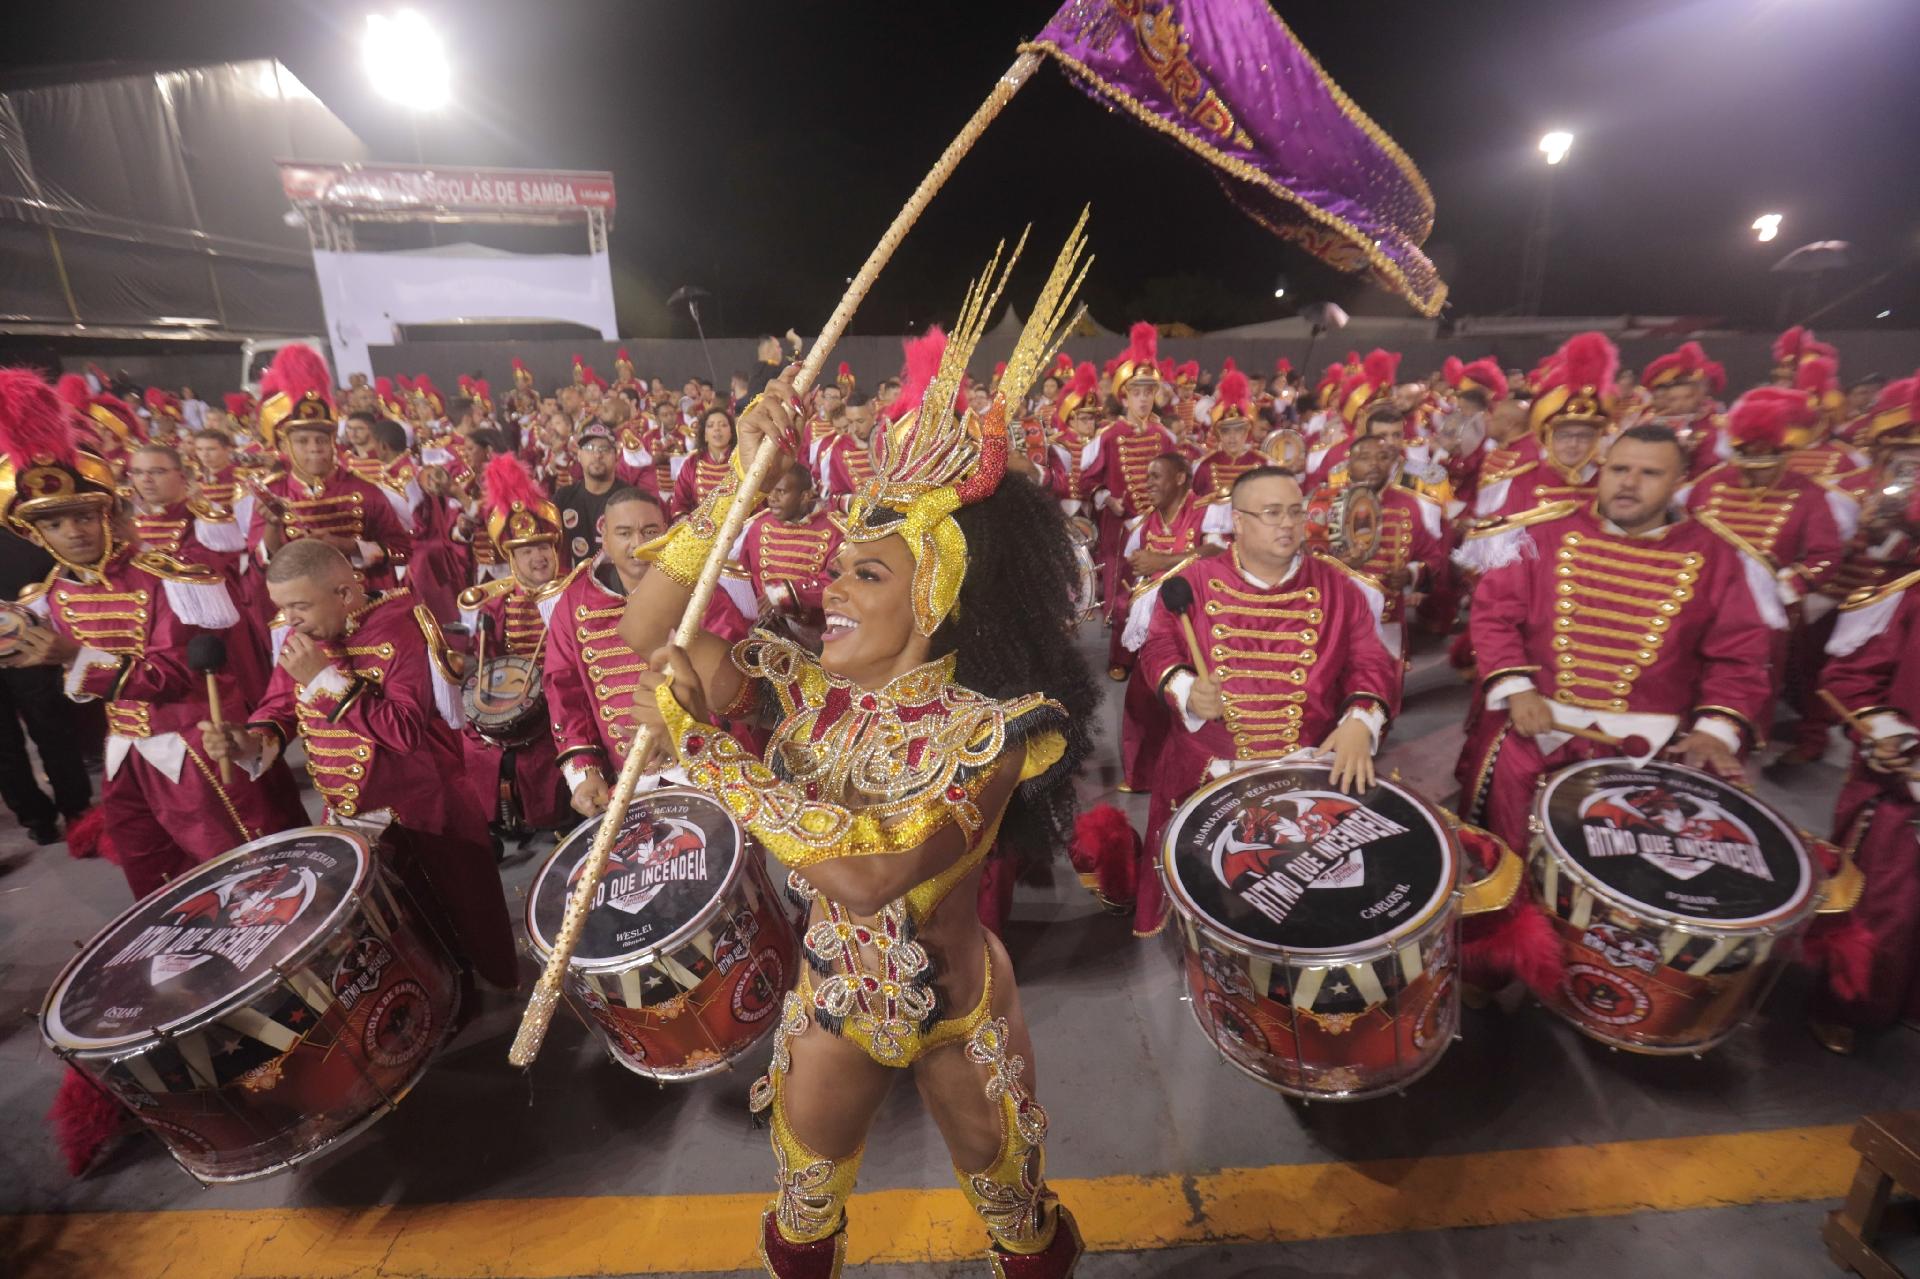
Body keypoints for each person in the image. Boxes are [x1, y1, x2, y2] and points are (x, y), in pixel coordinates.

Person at [621, 246, 1096, 1275]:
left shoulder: (995, 730)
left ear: (935, 598)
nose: (834, 583)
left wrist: (709, 752)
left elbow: (872, 870)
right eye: (839, 563)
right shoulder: (805, 686)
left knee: (1016, 1211)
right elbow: (652, 625)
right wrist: (734, 496)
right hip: (833, 998)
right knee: (800, 1215)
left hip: (960, 1007)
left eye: (867, 573)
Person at [0, 370, 304, 898]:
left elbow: (171, 674)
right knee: (155, 878)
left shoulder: (166, 578)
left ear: (107, 515)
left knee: (243, 871)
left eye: (82, 516)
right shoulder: (49, 596)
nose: (73, 531)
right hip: (125, 753)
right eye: (55, 524)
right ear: (35, 533)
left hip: (192, 747)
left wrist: (72, 656)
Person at [1457, 409, 1778, 856]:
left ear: (1679, 481)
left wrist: (1714, 731)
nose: (1628, 483)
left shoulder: (1721, 556)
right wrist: (1518, 688)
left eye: (1649, 473)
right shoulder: (1541, 533)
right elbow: (1494, 615)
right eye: (1620, 469)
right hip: (1541, 729)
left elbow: (1739, 657)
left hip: (1648, 752)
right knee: (1508, 854)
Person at [201, 538, 518, 989]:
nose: (289, 621)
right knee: (396, 928)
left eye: (299, 607)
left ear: (345, 595)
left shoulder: (401, 628)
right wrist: (246, 742)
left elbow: (404, 731)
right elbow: (278, 709)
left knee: (461, 914)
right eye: (282, 607)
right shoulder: (305, 635)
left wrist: (324, 680)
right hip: (350, 811)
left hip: (425, 809)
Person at [543, 488, 748, 819]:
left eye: (649, 531)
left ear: (666, 534)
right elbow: (565, 691)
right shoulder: (575, 601)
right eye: (624, 533)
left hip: (704, 767)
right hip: (626, 779)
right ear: (604, 538)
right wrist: (584, 771)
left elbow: (731, 682)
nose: (636, 543)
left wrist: (680, 735)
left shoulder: (702, 589)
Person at [1809, 456, 1920, 1053]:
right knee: (1885, 908)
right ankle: (1849, 1004)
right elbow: (1850, 680)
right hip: (1904, 790)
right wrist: (1895, 739)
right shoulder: (1906, 598)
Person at [452, 457, 572, 844]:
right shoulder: (497, 603)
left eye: (542, 547)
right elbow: (489, 661)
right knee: (476, 739)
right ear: (512, 559)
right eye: (526, 551)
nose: (537, 557)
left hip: (567, 696)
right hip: (520, 693)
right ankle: (500, 816)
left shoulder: (575, 591)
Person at [247, 345, 414, 592]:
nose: (315, 448)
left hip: (365, 599)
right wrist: (272, 524)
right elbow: (261, 564)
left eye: (322, 440)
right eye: (303, 442)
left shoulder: (364, 488)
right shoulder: (273, 491)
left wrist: (352, 546)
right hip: (302, 604)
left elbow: (403, 550)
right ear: (286, 446)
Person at [1081, 324, 1176, 680]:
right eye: (1137, 392)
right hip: (1120, 529)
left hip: (1156, 526)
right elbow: (1087, 481)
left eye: (1149, 392)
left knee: (1155, 591)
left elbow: (1176, 482)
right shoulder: (1109, 436)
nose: (1143, 399)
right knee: (1122, 595)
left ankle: (1153, 657)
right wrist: (1107, 498)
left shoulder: (1163, 435)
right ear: (1124, 395)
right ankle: (1119, 656)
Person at [0, 527, 93, 843]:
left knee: (52, 729)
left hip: (30, 650)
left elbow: (47, 572)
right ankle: (36, 815)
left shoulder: (18, 542)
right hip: (29, 649)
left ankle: (75, 808)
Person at [722, 461, 842, 640]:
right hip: (762, 630)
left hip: (815, 634)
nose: (772, 498)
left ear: (805, 496)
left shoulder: (834, 531)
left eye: (781, 491)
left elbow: (835, 584)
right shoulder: (757, 526)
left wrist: (783, 594)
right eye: (771, 490)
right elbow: (744, 578)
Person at [1191, 370, 1264, 499]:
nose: (1232, 437)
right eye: (1226, 431)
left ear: (1247, 431)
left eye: (1238, 430)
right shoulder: (1203, 466)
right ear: (1218, 434)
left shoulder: (1263, 463)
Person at [671, 407, 737, 518]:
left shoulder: (741, 460)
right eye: (711, 425)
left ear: (731, 433)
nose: (717, 429)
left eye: (723, 425)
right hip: (699, 528)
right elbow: (680, 502)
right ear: (705, 435)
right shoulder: (692, 463)